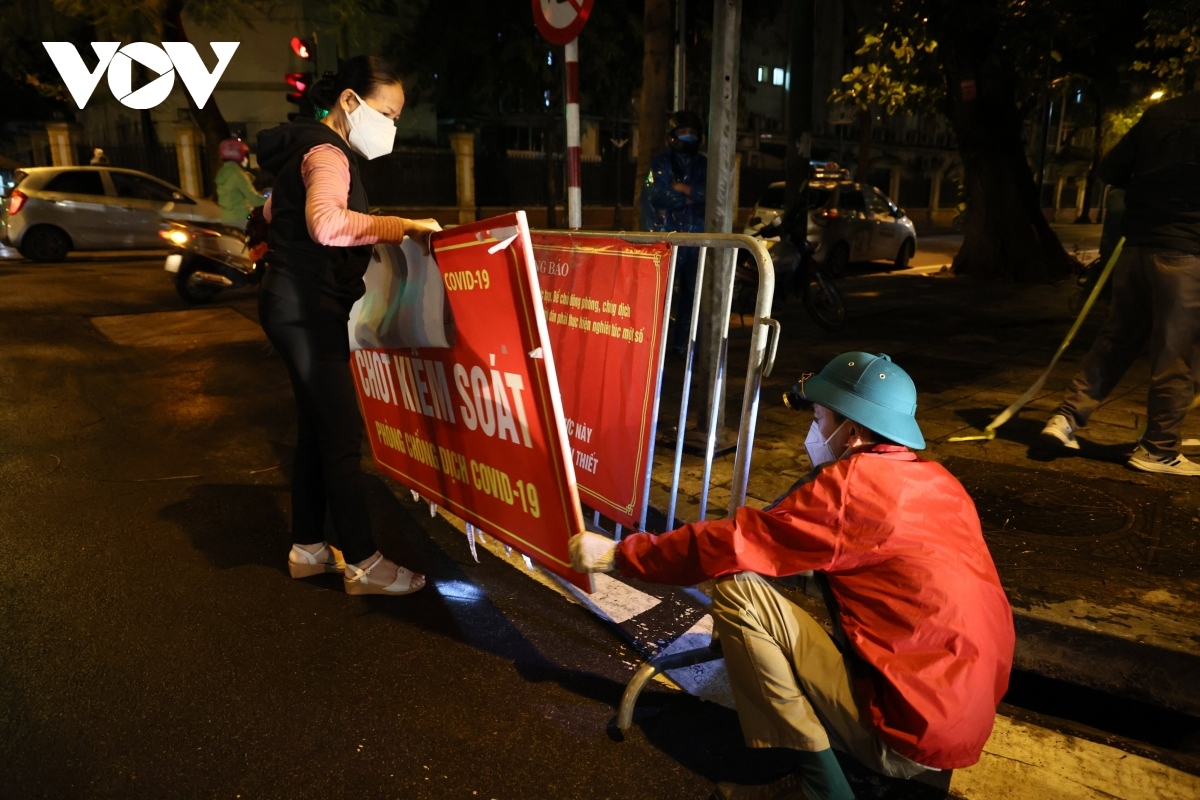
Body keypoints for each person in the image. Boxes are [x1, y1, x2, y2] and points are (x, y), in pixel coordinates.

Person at [571, 352, 1015, 800]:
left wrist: (621, 556)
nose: (814, 430)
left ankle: (821, 786)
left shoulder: (852, 491)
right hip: (959, 719)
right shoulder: (940, 485)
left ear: (853, 432)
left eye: (820, 418)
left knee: (739, 593)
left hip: (907, 735)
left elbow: (734, 543)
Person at [256, 56, 441, 595]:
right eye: (388, 113)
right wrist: (401, 227)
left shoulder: (306, 146)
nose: (392, 126)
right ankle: (364, 561)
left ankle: (308, 546)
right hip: (306, 310)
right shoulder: (329, 152)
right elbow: (327, 222)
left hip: (292, 304)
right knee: (340, 436)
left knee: (318, 429)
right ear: (350, 102)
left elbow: (270, 214)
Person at [1041, 92, 1200, 475]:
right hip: (1186, 252)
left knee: (1116, 339)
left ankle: (1066, 419)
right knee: (1177, 354)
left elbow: (1111, 168)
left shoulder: (1163, 112)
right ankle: (1158, 448)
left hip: (1136, 250)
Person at [640, 110, 707, 351]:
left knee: (692, 293)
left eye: (693, 132)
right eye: (683, 132)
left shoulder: (703, 164)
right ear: (672, 135)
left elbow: (711, 195)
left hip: (696, 237)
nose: (688, 137)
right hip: (667, 236)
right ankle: (656, 346)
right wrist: (692, 196)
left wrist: (684, 190)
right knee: (663, 295)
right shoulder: (662, 162)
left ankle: (684, 346)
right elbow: (658, 195)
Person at [215, 137, 266, 228]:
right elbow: (255, 200)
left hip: (226, 219)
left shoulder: (223, 172)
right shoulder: (238, 174)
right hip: (241, 219)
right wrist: (273, 201)